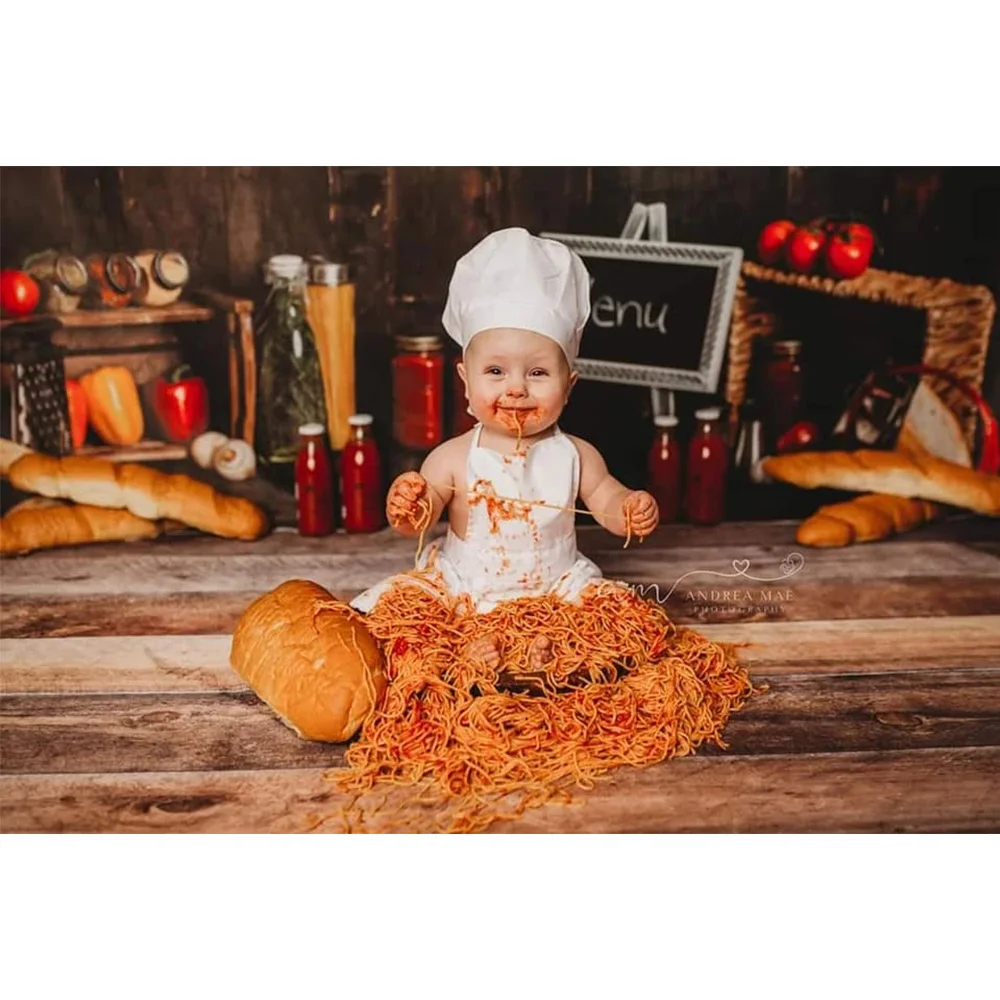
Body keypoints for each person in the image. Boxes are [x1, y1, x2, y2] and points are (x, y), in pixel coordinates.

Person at [349, 227, 659, 671]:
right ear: (465, 382)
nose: (515, 389)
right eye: (495, 371)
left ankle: (552, 652)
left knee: (623, 619)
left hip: (557, 588)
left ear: (569, 386)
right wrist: (409, 505)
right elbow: (422, 516)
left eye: (537, 373)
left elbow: (607, 500)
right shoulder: (454, 457)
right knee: (408, 626)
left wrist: (629, 508)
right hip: (469, 588)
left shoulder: (575, 455)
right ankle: (471, 651)